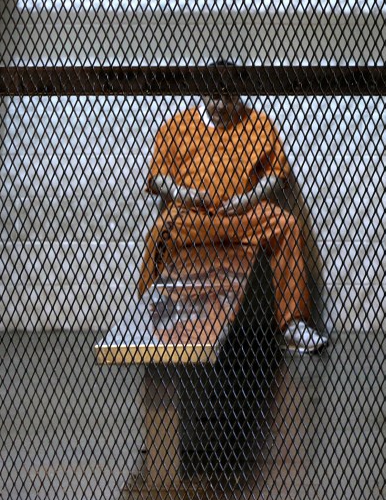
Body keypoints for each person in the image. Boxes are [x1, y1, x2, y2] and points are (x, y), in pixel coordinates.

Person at [137, 62, 328, 354]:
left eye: (229, 97)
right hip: (194, 215)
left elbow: (277, 173)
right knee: (160, 232)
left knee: (287, 225)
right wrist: (181, 193)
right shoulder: (177, 126)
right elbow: (158, 174)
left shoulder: (258, 123)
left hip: (243, 215)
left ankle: (293, 325)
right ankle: (147, 318)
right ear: (202, 94)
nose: (220, 105)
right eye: (213, 97)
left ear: (239, 94)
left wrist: (249, 198)